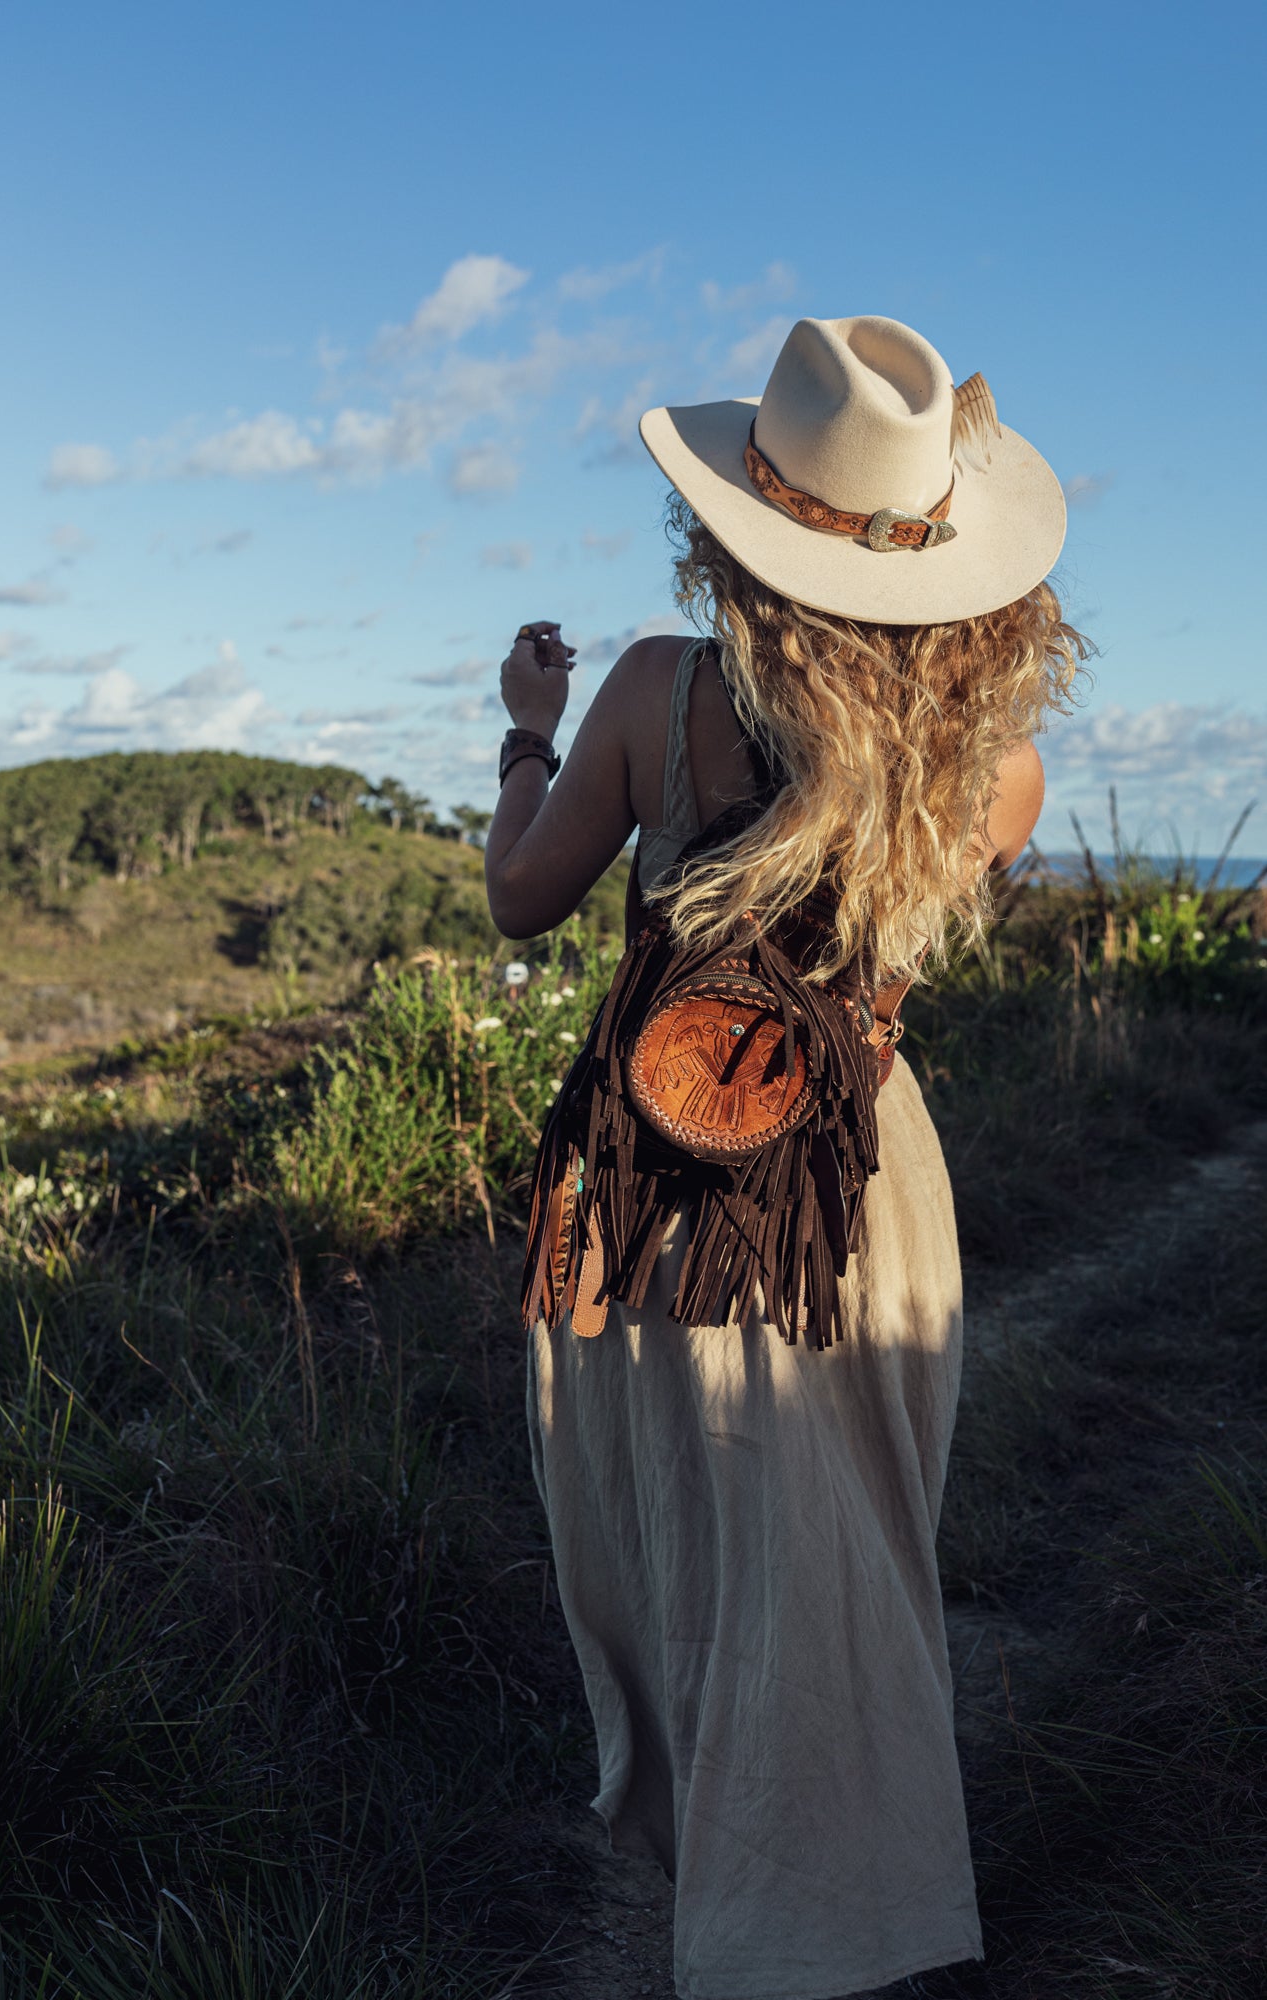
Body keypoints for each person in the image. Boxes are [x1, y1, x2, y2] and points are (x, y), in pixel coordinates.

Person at [484, 315, 1087, 2000]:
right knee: (850, 1549)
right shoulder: (995, 767)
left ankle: (744, 1906)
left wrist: (525, 733)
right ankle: (839, 1898)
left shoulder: (652, 695)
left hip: (658, 1187)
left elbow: (520, 900)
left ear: (740, 516)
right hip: (860, 1188)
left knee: (684, 1529)